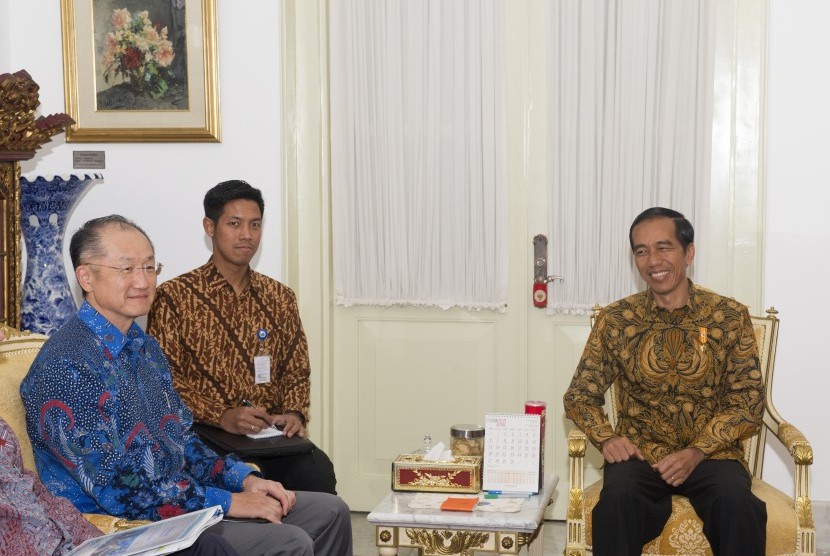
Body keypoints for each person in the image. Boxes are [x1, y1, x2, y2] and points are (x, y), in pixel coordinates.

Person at [20, 215, 352, 556]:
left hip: (182, 503)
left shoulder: (143, 346)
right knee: (288, 540)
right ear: (86, 276)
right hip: (119, 526)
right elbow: (116, 486)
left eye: (150, 268)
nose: (143, 281)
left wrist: (244, 480)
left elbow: (179, 438)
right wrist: (227, 503)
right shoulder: (66, 365)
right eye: (127, 269)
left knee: (329, 512)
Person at [562, 207, 767, 556]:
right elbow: (580, 395)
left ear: (688, 253)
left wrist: (697, 450)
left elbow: (748, 402)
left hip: (712, 455)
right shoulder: (617, 320)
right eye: (641, 251)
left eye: (664, 247)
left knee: (737, 504)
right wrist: (607, 437)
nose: (652, 260)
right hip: (641, 455)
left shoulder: (728, 316)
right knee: (617, 501)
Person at [147, 180, 336, 495]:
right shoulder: (175, 296)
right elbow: (163, 381)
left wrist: (293, 412)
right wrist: (221, 416)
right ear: (210, 226)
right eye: (234, 224)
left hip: (269, 435)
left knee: (317, 471)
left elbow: (296, 367)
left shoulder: (279, 296)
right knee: (238, 479)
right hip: (204, 435)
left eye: (255, 225)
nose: (246, 234)